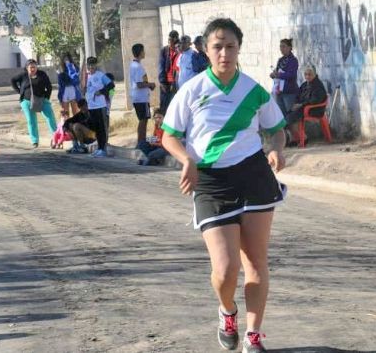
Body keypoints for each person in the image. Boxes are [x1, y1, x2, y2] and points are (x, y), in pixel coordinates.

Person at [161, 18, 287, 353]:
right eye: (217, 46)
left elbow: (276, 128)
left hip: (254, 177)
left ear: (238, 48)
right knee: (226, 269)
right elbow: (168, 135)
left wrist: (275, 147)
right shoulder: (191, 90)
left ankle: (254, 335)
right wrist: (186, 160)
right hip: (211, 182)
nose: (224, 53)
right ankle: (227, 311)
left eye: (231, 46)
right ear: (205, 49)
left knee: (256, 264)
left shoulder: (253, 90)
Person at [11, 59, 57, 148]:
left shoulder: (42, 74)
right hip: (27, 101)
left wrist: (46, 98)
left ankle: (56, 138)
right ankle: (35, 141)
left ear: (37, 67)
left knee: (50, 117)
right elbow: (12, 80)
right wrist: (20, 92)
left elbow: (49, 87)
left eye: (34, 67)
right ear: (27, 68)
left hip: (42, 100)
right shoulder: (23, 75)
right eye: (31, 67)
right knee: (31, 121)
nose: (33, 69)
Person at [283, 65, 328, 147]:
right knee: (287, 117)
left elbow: (315, 100)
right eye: (306, 74)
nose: (307, 76)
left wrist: (301, 105)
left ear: (314, 74)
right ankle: (297, 138)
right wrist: (296, 104)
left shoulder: (318, 86)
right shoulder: (304, 85)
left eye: (310, 74)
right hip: (303, 108)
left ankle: (303, 138)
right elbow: (298, 96)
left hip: (314, 109)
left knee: (290, 118)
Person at [84, 56, 114, 158]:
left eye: (93, 64)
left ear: (96, 65)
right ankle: (99, 148)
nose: (91, 66)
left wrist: (101, 91)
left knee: (102, 128)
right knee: (96, 128)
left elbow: (111, 85)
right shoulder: (87, 76)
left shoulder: (100, 75)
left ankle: (103, 149)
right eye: (89, 64)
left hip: (100, 105)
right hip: (91, 106)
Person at [129, 43, 156, 147]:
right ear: (140, 52)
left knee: (143, 119)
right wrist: (150, 84)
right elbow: (140, 84)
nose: (144, 53)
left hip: (137, 97)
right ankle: (141, 142)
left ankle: (141, 141)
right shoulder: (138, 67)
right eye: (143, 51)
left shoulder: (133, 65)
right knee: (143, 120)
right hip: (141, 98)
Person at [269, 38, 299, 117]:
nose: (281, 49)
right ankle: (284, 129)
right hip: (279, 91)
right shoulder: (280, 60)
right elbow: (277, 72)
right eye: (280, 47)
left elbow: (291, 75)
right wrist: (273, 75)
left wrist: (279, 75)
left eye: (284, 46)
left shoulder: (293, 60)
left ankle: (290, 129)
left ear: (289, 48)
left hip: (289, 91)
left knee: (290, 115)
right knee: (281, 115)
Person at [158, 30, 180, 114]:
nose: (170, 43)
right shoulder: (164, 50)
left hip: (176, 83)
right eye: (169, 40)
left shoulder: (179, 51)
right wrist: (162, 82)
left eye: (172, 40)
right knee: (164, 105)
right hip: (166, 83)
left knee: (174, 106)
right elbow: (161, 67)